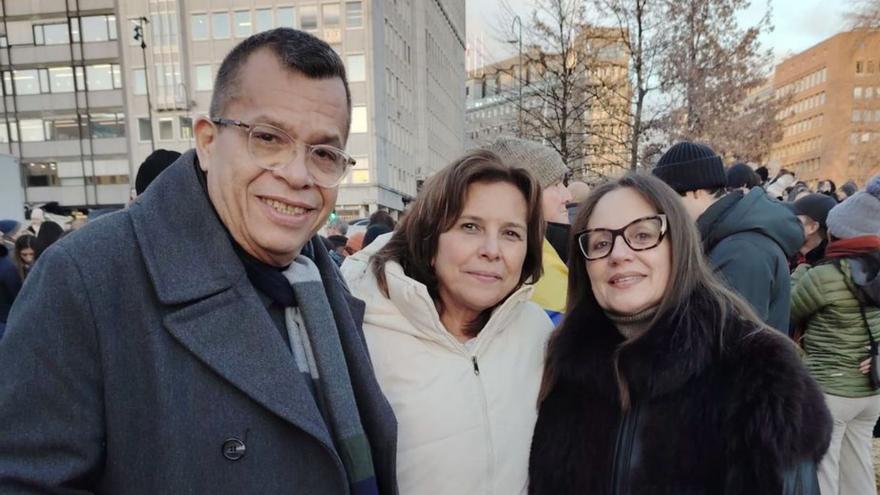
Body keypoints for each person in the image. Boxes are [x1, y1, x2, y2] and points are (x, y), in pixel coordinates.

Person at [0, 28, 397, 494]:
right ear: (208, 142)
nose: (297, 175)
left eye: (324, 153)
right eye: (268, 138)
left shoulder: (320, 277)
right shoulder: (86, 277)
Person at [529, 172, 831, 494]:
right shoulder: (563, 366)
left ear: (679, 244)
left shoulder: (759, 375)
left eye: (642, 235)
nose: (618, 254)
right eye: (601, 243)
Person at [341, 149, 551, 495]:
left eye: (512, 233)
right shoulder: (360, 332)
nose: (492, 250)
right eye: (470, 227)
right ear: (430, 240)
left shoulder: (536, 331)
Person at [652, 141, 803, 333]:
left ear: (696, 192)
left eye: (668, 201)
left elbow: (726, 340)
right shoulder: (726, 237)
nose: (664, 212)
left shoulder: (742, 252)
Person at [791, 175, 880, 495]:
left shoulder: (824, 276)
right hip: (871, 391)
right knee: (858, 470)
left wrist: (801, 272)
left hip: (832, 390)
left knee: (824, 472)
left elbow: (789, 308)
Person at [487, 136, 572, 324]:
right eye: (556, 184)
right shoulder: (532, 265)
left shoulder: (549, 250)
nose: (568, 196)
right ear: (527, 196)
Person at [788, 193, 838, 270]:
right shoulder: (788, 252)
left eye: (794, 219)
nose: (787, 222)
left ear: (812, 227)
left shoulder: (821, 271)